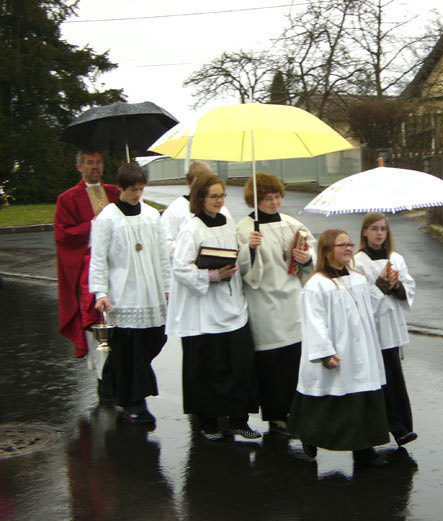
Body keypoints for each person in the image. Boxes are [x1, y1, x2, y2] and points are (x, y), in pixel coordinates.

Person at [167, 173, 263, 441]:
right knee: (209, 367)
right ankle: (208, 422)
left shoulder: (228, 222)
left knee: (239, 363)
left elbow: (235, 256)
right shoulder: (192, 228)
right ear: (200, 198)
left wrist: (249, 248)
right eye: (213, 196)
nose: (219, 201)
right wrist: (212, 275)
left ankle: (239, 420)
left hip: (232, 305)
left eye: (222, 196)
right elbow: (180, 268)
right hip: (205, 309)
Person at [287, 229, 390, 467]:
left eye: (350, 244)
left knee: (362, 396)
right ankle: (309, 435)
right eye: (342, 245)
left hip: (360, 350)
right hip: (336, 350)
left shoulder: (357, 279)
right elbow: (314, 322)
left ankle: (364, 448)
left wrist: (383, 284)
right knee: (327, 397)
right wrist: (325, 353)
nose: (348, 248)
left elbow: (370, 307)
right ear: (326, 250)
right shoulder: (317, 285)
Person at [89, 162, 170, 424]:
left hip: (151, 291)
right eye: (133, 189)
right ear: (120, 188)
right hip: (123, 292)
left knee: (155, 339)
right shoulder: (107, 218)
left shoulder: (151, 215)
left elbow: (163, 255)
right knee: (131, 350)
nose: (137, 194)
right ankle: (135, 403)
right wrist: (100, 292)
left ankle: (112, 380)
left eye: (141, 189)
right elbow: (98, 258)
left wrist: (167, 287)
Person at [235, 173, 315, 433]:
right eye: (267, 198)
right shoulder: (245, 229)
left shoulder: (292, 224)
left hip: (291, 300)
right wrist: (251, 249)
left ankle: (294, 409)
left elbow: (311, 256)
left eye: (277, 196)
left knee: (293, 359)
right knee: (271, 363)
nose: (273, 202)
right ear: (254, 200)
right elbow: (244, 271)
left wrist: (306, 259)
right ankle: (275, 415)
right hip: (264, 302)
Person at [353, 212, 418, 447]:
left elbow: (409, 287)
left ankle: (401, 428)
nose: (379, 233)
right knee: (377, 382)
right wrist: (381, 284)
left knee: (394, 379)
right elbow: (360, 299)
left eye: (383, 229)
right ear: (364, 232)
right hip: (371, 329)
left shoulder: (396, 258)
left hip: (391, 327)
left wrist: (397, 286)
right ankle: (374, 432)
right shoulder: (358, 262)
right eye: (374, 229)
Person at [54, 149, 119, 379]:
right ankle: (102, 373)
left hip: (118, 265)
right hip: (89, 268)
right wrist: (93, 225)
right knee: (94, 317)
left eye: (99, 162)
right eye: (90, 162)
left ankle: (119, 366)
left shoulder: (115, 192)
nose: (95, 166)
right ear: (79, 167)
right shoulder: (67, 199)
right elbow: (63, 235)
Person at [160, 160, 231, 261]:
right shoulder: (176, 209)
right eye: (199, 182)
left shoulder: (222, 211)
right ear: (189, 183)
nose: (203, 187)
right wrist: (194, 251)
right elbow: (165, 243)